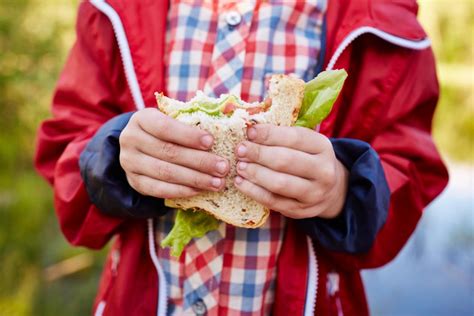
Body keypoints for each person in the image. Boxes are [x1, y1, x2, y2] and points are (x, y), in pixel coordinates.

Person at [35, 0, 448, 315]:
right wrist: (113, 158)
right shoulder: (113, 9)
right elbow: (66, 146)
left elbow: (411, 171)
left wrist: (343, 189)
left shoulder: (383, 18)